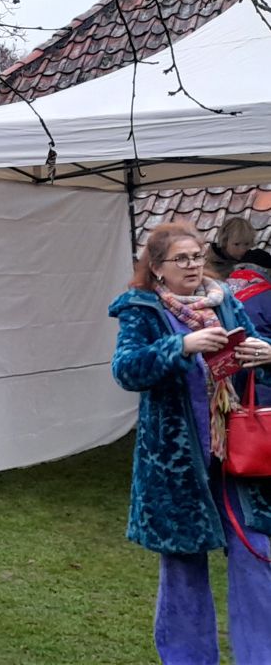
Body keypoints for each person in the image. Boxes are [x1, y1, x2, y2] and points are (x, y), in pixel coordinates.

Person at [109, 223, 271, 664]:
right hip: (177, 467)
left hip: (238, 458)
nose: (193, 264)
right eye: (181, 258)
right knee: (184, 569)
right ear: (157, 269)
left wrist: (265, 352)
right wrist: (180, 346)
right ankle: (188, 658)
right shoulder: (140, 308)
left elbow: (258, 349)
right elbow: (126, 370)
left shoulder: (225, 300)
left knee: (258, 557)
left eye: (197, 255)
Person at [207, 217, 256, 281]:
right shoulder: (210, 267)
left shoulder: (255, 261)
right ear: (225, 241)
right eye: (236, 244)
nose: (242, 250)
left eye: (246, 244)